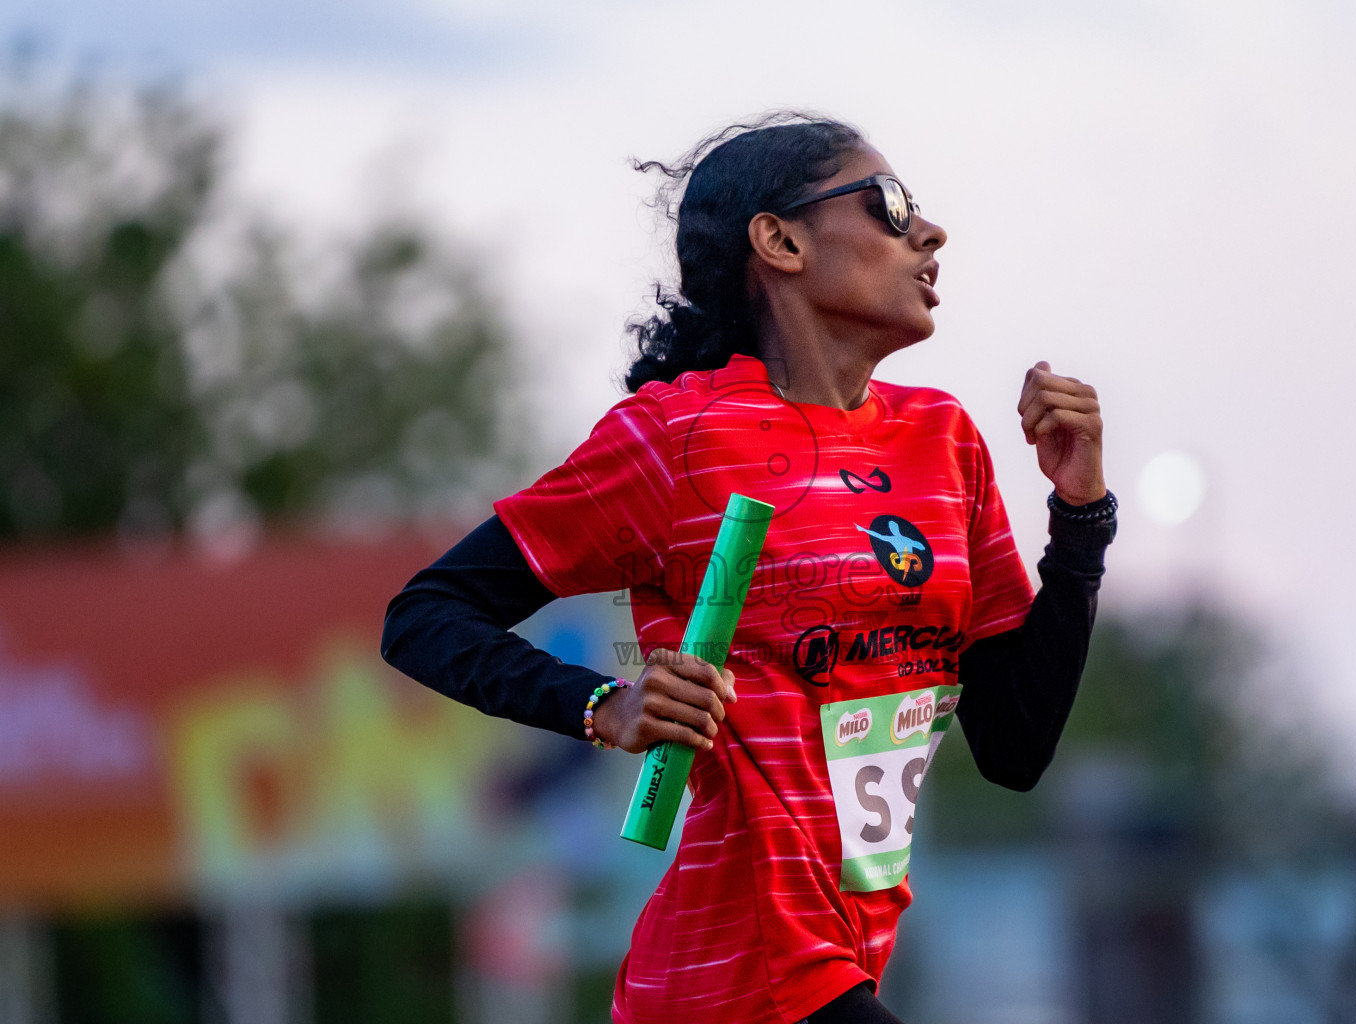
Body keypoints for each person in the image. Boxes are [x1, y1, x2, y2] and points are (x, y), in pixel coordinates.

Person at [381, 112, 1116, 1024]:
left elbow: (1014, 746)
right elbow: (424, 615)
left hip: (847, 960)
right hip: (743, 974)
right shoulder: (677, 438)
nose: (929, 232)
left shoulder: (943, 441)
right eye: (889, 205)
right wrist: (602, 705)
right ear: (780, 241)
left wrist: (1080, 519)